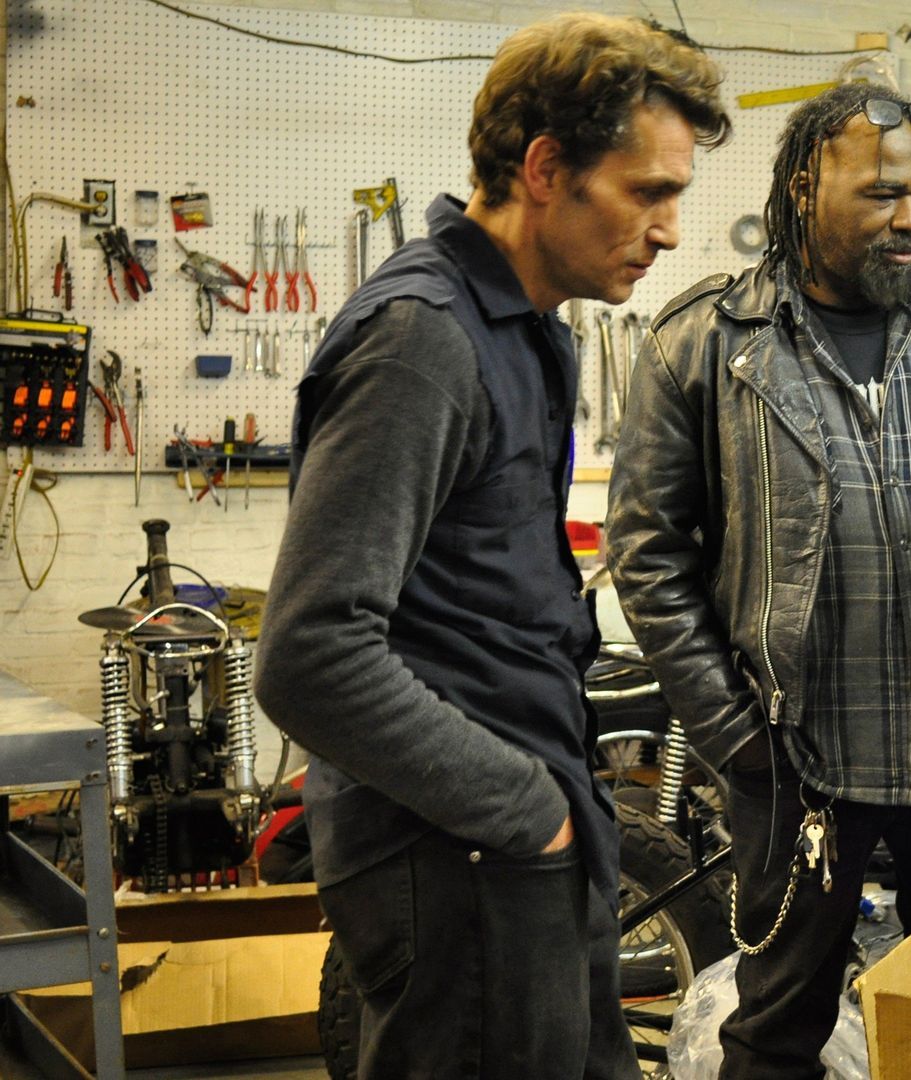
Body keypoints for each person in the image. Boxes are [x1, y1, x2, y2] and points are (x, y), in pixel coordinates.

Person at [254, 15, 728, 1078]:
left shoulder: (524, 328)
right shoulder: (423, 340)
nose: (669, 231)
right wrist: (527, 813)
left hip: (513, 834)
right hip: (457, 848)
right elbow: (310, 654)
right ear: (545, 169)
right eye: (649, 192)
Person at [604, 82, 911, 1079]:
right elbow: (647, 552)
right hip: (800, 761)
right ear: (805, 188)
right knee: (779, 1028)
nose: (910, 218)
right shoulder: (706, 344)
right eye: (882, 195)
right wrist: (733, 734)